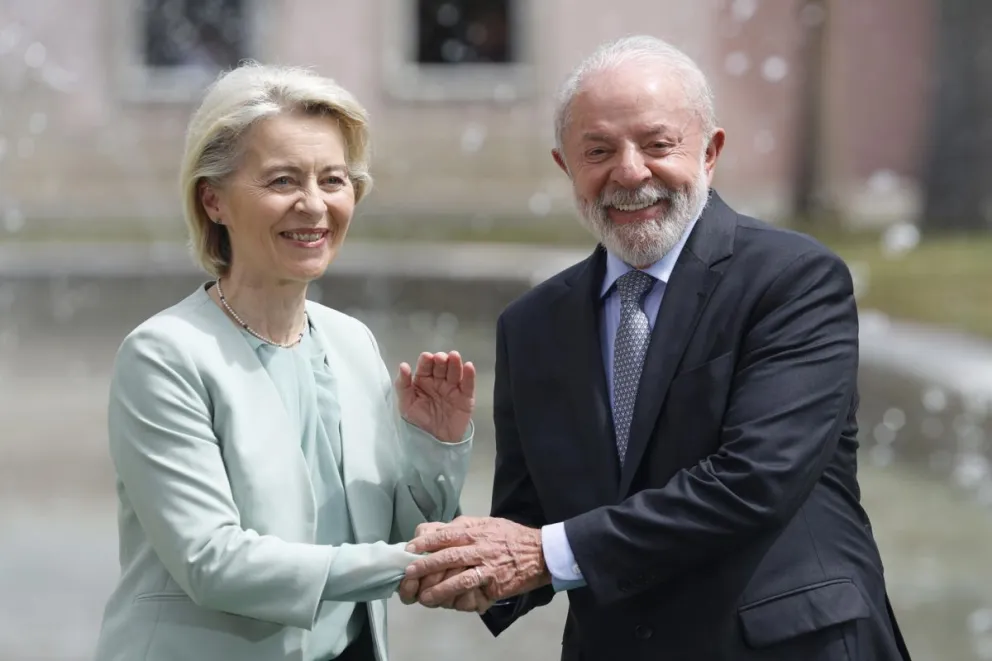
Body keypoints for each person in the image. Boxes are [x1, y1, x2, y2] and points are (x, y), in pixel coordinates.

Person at [399, 35, 913, 660]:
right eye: (598, 150)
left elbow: (754, 480)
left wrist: (544, 554)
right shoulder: (532, 324)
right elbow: (527, 527)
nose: (630, 171)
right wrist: (447, 490)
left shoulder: (793, 280)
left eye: (658, 144)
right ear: (566, 167)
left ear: (710, 151)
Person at [92, 62, 488, 661]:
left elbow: (389, 534)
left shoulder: (351, 341)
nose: (314, 205)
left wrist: (434, 449)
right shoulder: (164, 355)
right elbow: (214, 562)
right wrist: (427, 561)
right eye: (282, 181)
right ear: (213, 200)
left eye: (333, 179)